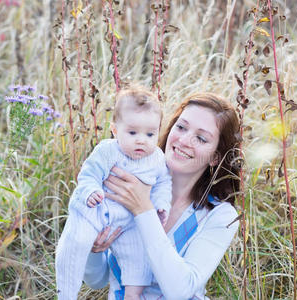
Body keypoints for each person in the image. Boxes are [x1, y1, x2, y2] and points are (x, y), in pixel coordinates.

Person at [83, 92, 241, 299]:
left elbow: (181, 290)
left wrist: (143, 210)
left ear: (215, 157)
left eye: (201, 138)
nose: (184, 140)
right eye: (181, 127)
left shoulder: (220, 216)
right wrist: (93, 249)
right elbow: (97, 280)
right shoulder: (125, 183)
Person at [55, 87, 172, 300]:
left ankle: (131, 295)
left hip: (131, 221)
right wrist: (92, 190)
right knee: (77, 242)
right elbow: (89, 174)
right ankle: (65, 293)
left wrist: (161, 204)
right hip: (98, 209)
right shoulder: (108, 150)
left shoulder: (157, 158)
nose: (141, 140)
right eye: (132, 132)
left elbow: (163, 183)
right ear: (115, 130)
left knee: (139, 257)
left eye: (150, 134)